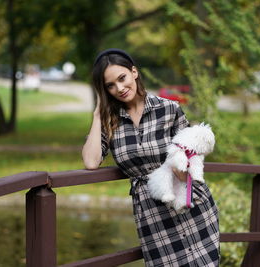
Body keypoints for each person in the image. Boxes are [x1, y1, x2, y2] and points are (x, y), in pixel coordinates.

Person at [82, 48, 220, 266]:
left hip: (189, 201)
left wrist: (182, 169)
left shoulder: (169, 109)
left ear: (134, 72)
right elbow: (90, 162)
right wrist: (97, 115)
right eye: (110, 85)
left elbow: (193, 153)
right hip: (152, 214)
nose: (119, 88)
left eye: (122, 78)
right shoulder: (110, 121)